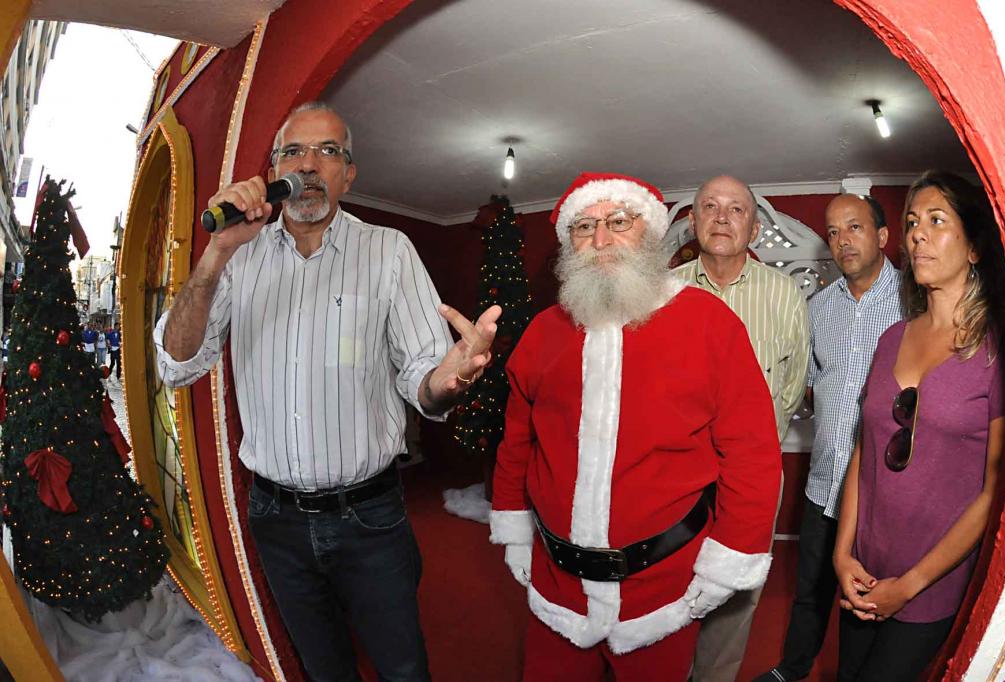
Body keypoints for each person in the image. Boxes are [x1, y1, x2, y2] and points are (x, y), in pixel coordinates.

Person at [154, 101, 499, 682]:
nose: (308, 164)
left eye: (327, 152)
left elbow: (425, 376)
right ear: (274, 169)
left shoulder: (388, 251)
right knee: (323, 669)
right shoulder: (239, 257)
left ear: (348, 174)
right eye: (293, 151)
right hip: (276, 519)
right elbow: (177, 363)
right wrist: (216, 252)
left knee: (402, 668)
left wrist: (448, 379)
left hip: (370, 517)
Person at [489, 172, 781, 680]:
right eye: (584, 226)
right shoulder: (542, 332)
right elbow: (517, 442)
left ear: (650, 233)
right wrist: (514, 529)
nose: (601, 240)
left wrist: (727, 560)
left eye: (619, 221)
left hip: (664, 591)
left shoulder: (709, 323)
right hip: (557, 587)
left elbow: (752, 453)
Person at [833, 171, 1005, 681]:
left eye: (936, 221)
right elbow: (863, 453)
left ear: (974, 247)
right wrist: (842, 555)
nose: (917, 235)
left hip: (930, 583)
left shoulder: (998, 352)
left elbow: (994, 490)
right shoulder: (891, 338)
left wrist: (910, 585)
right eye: (912, 223)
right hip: (863, 569)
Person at [755, 194, 902, 682]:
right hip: (825, 484)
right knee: (810, 589)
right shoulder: (817, 309)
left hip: (884, 493)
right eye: (834, 232)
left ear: (882, 236)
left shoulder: (915, 303)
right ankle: (793, 669)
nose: (843, 241)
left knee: (870, 600)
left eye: (854, 227)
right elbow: (813, 388)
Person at [671, 175, 809, 682]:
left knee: (735, 599)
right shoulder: (665, 293)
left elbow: (792, 385)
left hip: (752, 478)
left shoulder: (785, 294)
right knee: (668, 587)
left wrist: (756, 450)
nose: (722, 217)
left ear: (753, 228)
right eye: (710, 206)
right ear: (693, 221)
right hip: (675, 479)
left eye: (736, 209)